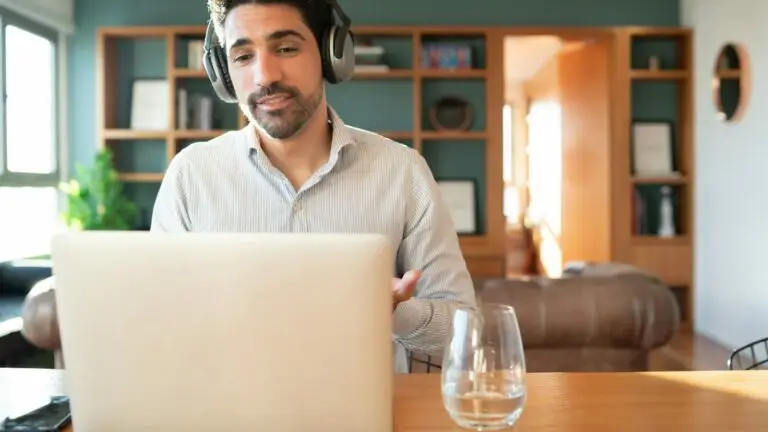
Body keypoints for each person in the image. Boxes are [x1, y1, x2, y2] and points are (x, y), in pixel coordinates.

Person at [151, 0, 476, 372]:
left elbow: (463, 327)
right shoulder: (191, 176)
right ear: (224, 72)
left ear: (329, 54)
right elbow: (160, 326)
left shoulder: (402, 172)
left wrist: (394, 311)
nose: (264, 76)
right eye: (242, 56)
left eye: (286, 48)